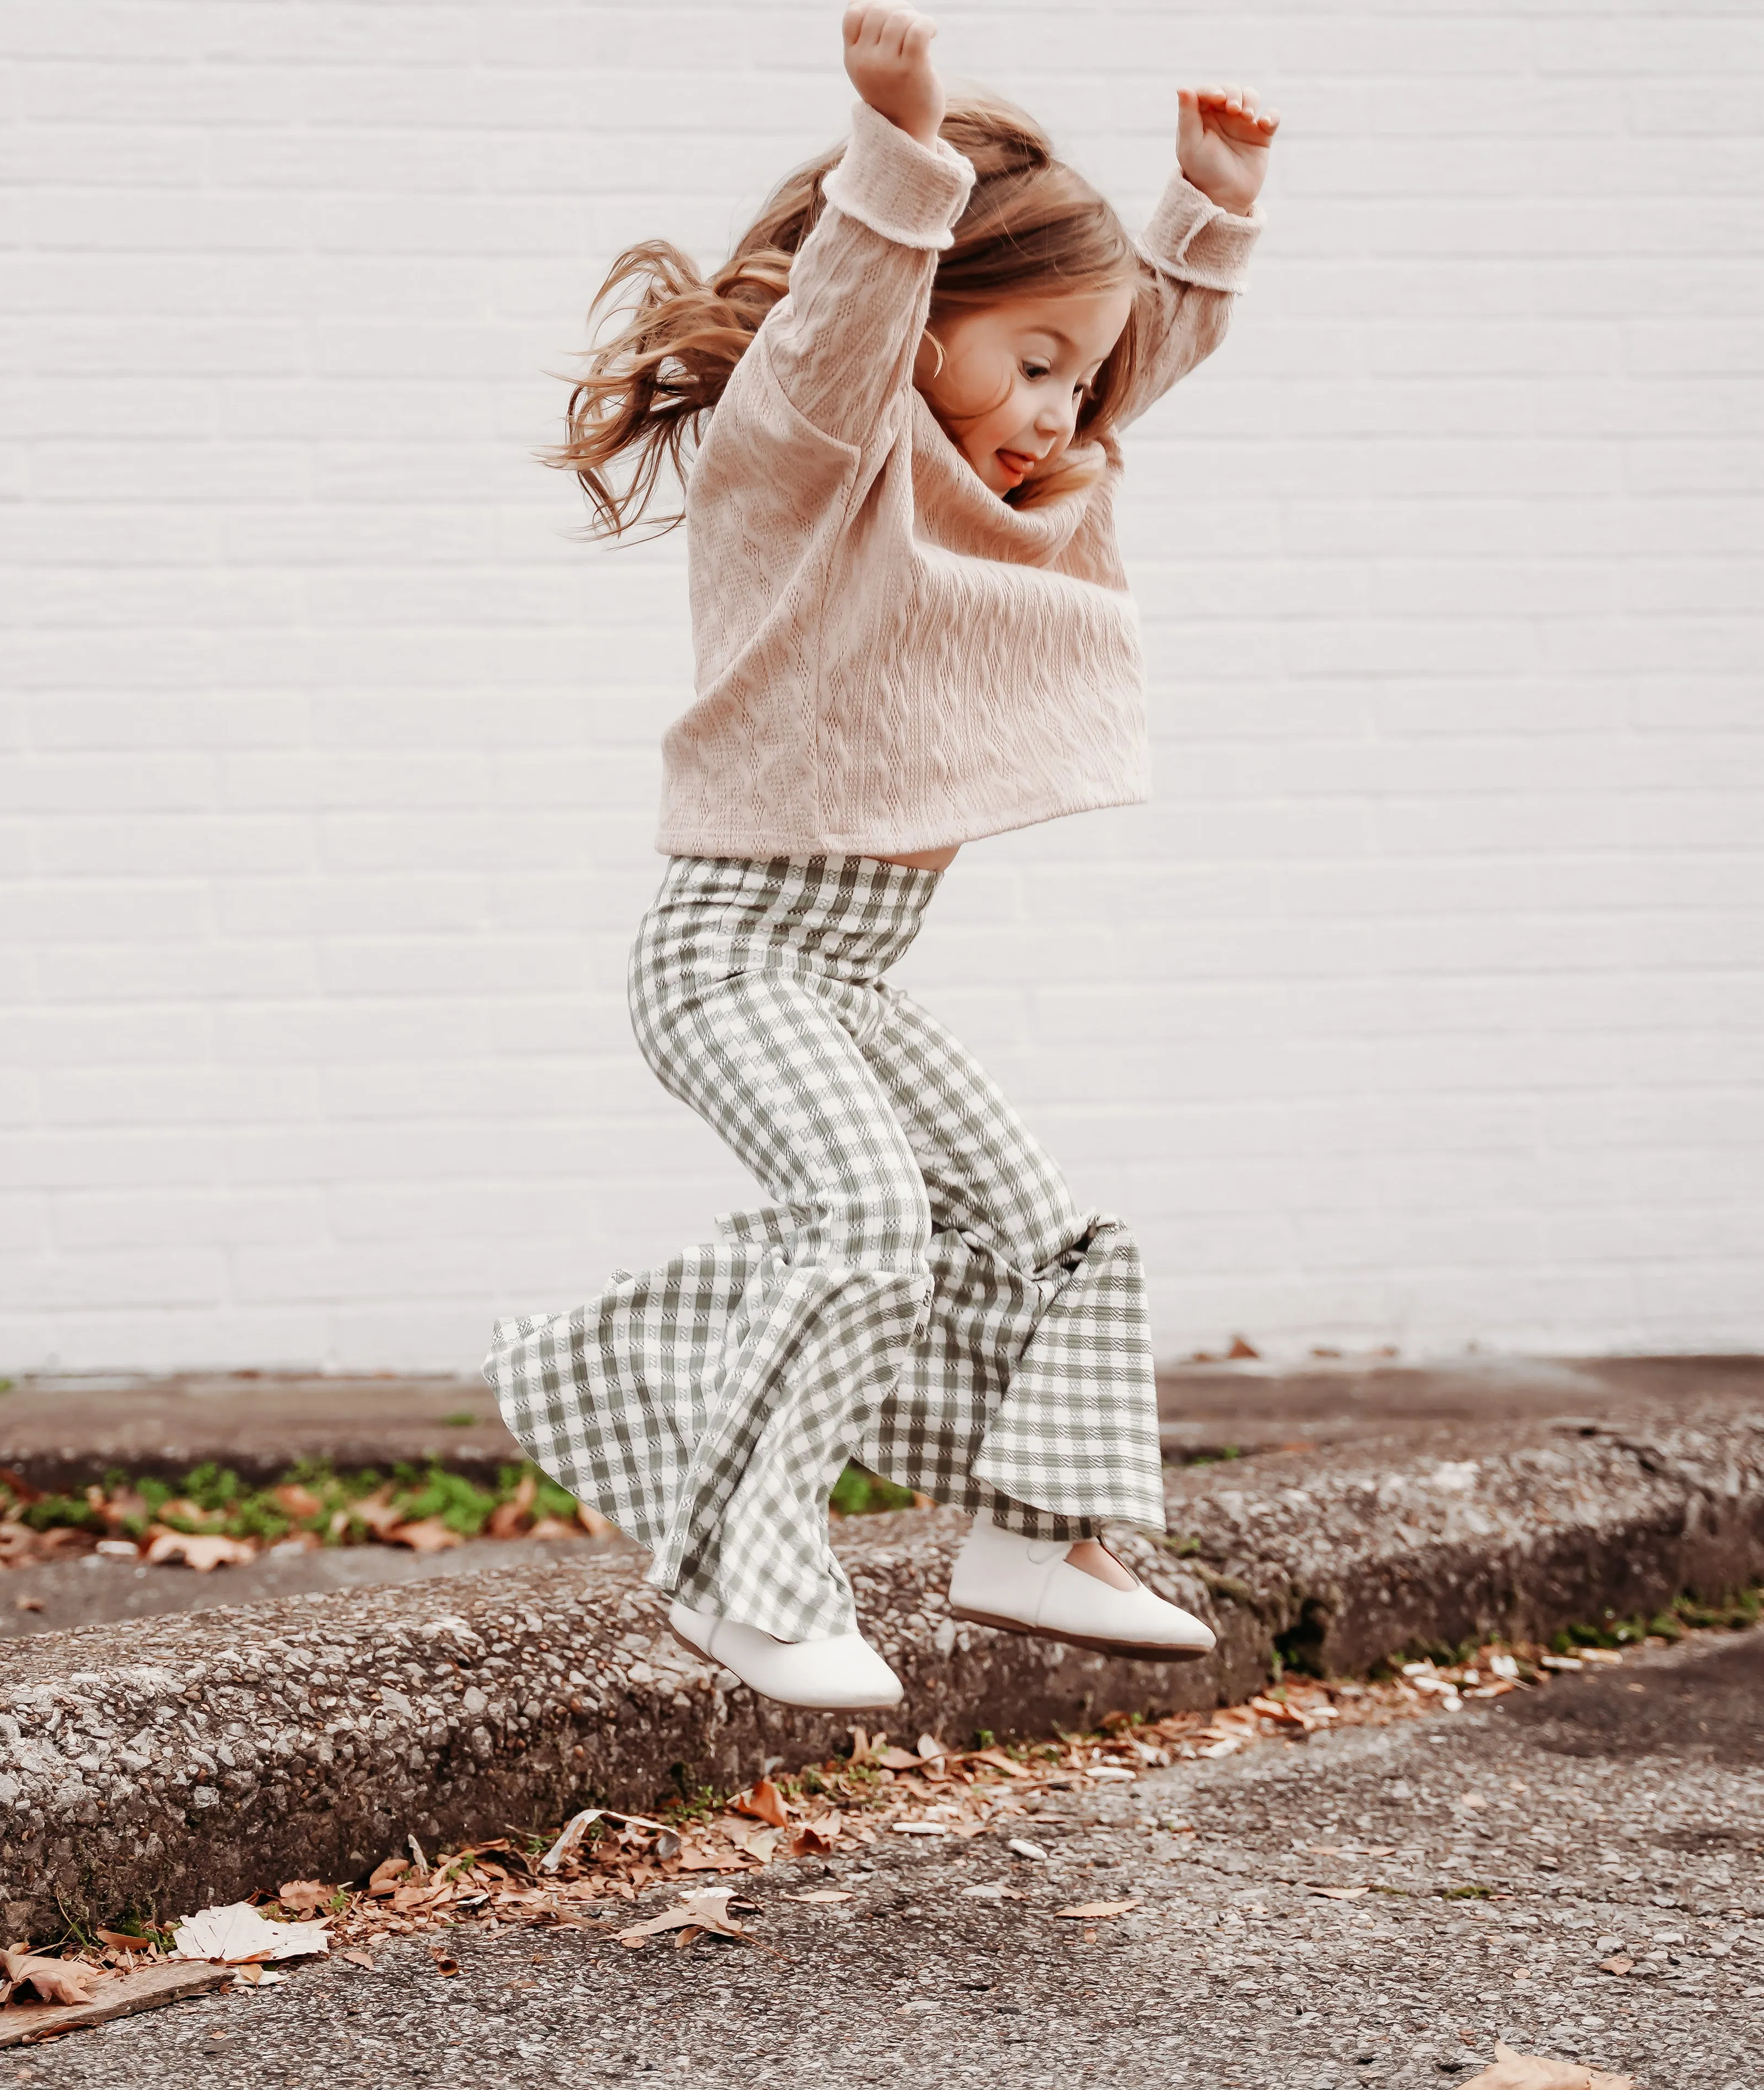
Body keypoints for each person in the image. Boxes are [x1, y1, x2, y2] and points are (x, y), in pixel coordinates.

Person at [486, 3, 1278, 1710]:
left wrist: (1200, 222)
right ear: (919, 326)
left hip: (842, 967)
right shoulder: (813, 445)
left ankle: (1030, 1530)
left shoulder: (1004, 487)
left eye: (1082, 376)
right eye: (1032, 362)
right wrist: (900, 149)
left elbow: (1125, 352)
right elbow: (852, 306)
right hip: (728, 955)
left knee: (1039, 1230)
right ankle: (732, 1571)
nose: (1065, 412)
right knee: (860, 1219)